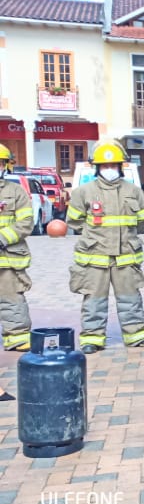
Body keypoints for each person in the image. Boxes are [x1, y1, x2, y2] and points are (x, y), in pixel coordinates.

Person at [66, 139, 144, 353]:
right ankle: (92, 339)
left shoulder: (134, 191)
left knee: (130, 298)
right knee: (94, 301)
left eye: (113, 165)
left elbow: (140, 223)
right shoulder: (83, 192)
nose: (109, 169)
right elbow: (74, 222)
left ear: (120, 167)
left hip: (126, 256)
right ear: (97, 168)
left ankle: (136, 336)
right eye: (105, 166)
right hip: (94, 257)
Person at [0, 144, 33, 352]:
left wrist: (2, 237)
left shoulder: (16, 192)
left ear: (5, 166)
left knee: (11, 298)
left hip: (7, 257)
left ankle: (17, 338)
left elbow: (26, 222)